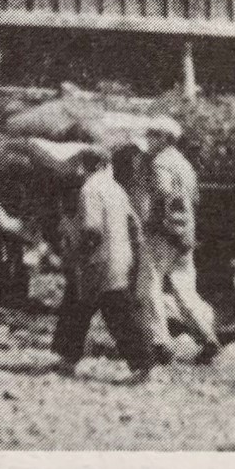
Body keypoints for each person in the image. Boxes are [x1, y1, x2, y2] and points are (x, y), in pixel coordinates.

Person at [52, 146, 157, 381]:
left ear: (86, 165)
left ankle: (142, 364)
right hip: (120, 256)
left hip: (99, 260)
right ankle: (68, 357)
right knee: (81, 306)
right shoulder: (116, 188)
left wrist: (79, 254)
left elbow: (92, 229)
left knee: (112, 311)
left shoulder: (90, 190)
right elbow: (134, 223)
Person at [129, 138, 222, 362]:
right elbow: (195, 198)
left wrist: (150, 220)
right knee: (185, 288)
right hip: (185, 233)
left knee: (148, 286)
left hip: (162, 234)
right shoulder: (184, 164)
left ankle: (160, 341)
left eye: (153, 134)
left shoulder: (159, 163)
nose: (149, 138)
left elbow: (162, 193)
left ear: (164, 137)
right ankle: (207, 336)